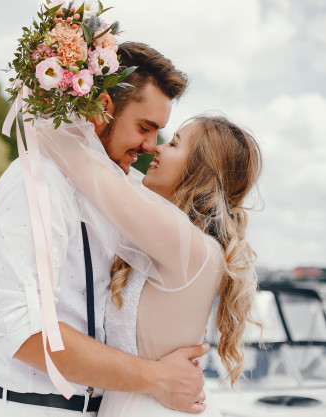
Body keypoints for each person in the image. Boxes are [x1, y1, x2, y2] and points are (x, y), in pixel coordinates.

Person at [0, 42, 210, 417]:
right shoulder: (37, 181)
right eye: (145, 128)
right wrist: (155, 378)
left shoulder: (115, 193)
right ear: (101, 108)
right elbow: (25, 331)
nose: (150, 146)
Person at [36, 114, 262, 416]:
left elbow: (85, 166)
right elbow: (114, 175)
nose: (157, 148)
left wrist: (48, 100)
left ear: (198, 169)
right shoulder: (178, 241)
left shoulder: (189, 245)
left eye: (174, 144)